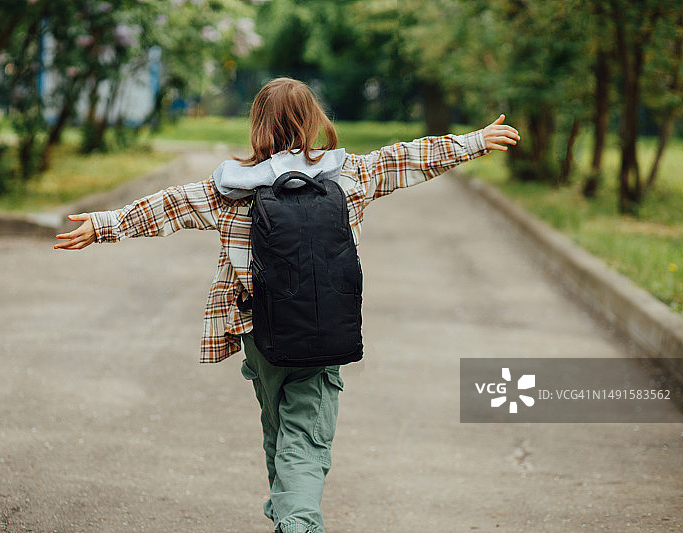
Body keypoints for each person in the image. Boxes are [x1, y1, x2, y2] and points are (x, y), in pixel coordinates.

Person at [54, 77, 519, 533]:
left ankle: (287, 511)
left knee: (279, 426)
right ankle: (298, 522)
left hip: (259, 333)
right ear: (314, 122)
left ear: (258, 127)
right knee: (306, 438)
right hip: (322, 327)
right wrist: (474, 141)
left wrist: (103, 223)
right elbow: (407, 158)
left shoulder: (232, 189)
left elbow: (166, 207)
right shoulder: (350, 175)